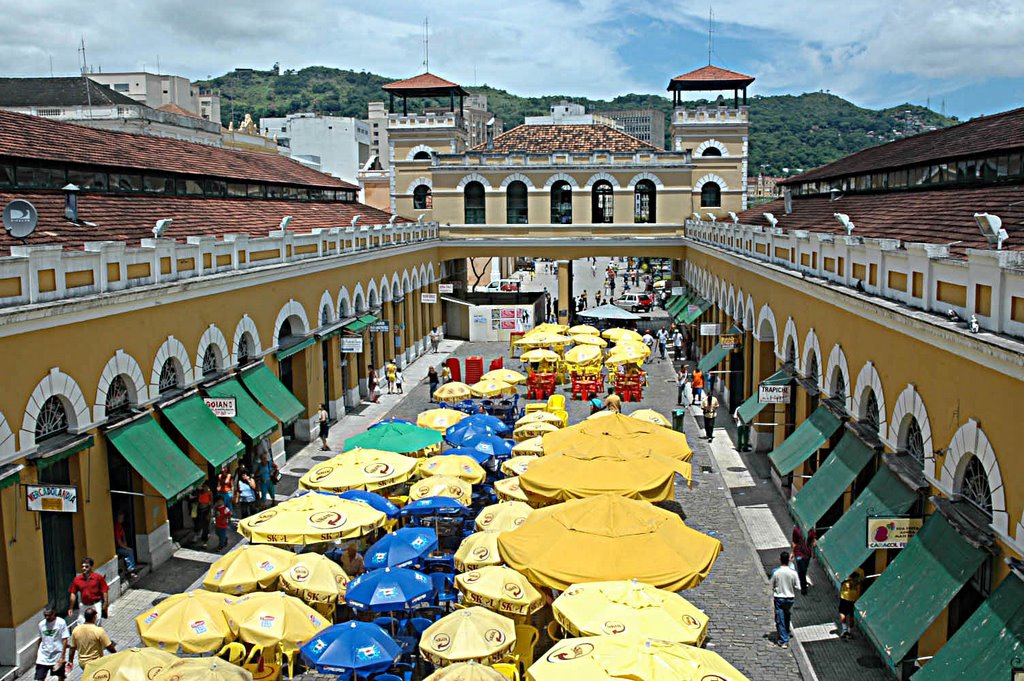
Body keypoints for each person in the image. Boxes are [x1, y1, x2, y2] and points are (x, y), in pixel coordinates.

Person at [769, 551, 800, 649]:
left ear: (780, 560)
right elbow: (797, 586)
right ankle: (786, 632)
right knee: (787, 615)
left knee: (780, 618)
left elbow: (771, 584)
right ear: (788, 560)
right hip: (790, 598)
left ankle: (783, 640)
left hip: (779, 598)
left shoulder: (776, 572)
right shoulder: (793, 572)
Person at [68, 558, 108, 624]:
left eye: (86, 566)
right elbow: (73, 593)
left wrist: (105, 604)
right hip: (83, 605)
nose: (84, 568)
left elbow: (104, 591)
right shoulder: (77, 579)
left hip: (95, 604)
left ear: (91, 567)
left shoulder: (98, 578)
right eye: (82, 566)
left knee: (96, 621)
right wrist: (71, 608)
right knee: (80, 623)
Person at [35, 606, 69, 681]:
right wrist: (37, 653)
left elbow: (65, 639)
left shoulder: (61, 623)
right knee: (40, 677)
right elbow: (40, 638)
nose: (47, 617)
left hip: (57, 655)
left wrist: (62, 657)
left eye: (49, 615)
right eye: (45, 615)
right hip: (43, 655)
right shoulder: (41, 624)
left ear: (54, 614)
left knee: (61, 676)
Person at [838, 568, 864, 639]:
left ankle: (844, 630)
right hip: (854, 597)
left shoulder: (845, 571)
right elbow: (861, 583)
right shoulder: (860, 571)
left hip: (845, 597)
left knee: (842, 613)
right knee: (851, 615)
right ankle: (849, 632)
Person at [792, 526, 817, 595]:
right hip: (798, 553)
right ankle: (803, 587)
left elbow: (813, 540)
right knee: (801, 570)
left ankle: (803, 581)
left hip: (807, 554)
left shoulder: (811, 531)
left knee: (804, 569)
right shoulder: (797, 530)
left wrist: (814, 543)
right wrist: (792, 552)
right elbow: (794, 541)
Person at [112, 512, 138, 579]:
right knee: (129, 552)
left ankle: (131, 568)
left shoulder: (120, 526)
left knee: (129, 550)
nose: (122, 519)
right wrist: (126, 548)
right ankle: (131, 570)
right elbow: (119, 542)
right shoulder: (116, 527)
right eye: (121, 518)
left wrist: (125, 543)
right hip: (117, 548)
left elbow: (123, 536)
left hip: (121, 546)